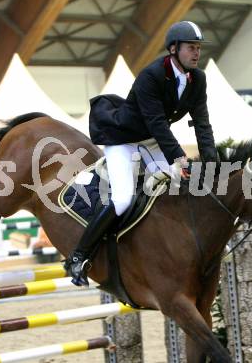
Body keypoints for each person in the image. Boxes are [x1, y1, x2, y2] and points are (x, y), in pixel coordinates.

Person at [64, 21, 217, 286]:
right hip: (122, 140)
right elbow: (157, 122)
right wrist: (179, 159)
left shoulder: (198, 79)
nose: (196, 53)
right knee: (123, 199)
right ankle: (78, 257)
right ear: (173, 48)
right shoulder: (152, 75)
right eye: (191, 47)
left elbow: (202, 124)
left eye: (198, 48)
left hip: (151, 141)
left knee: (177, 192)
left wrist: (212, 164)